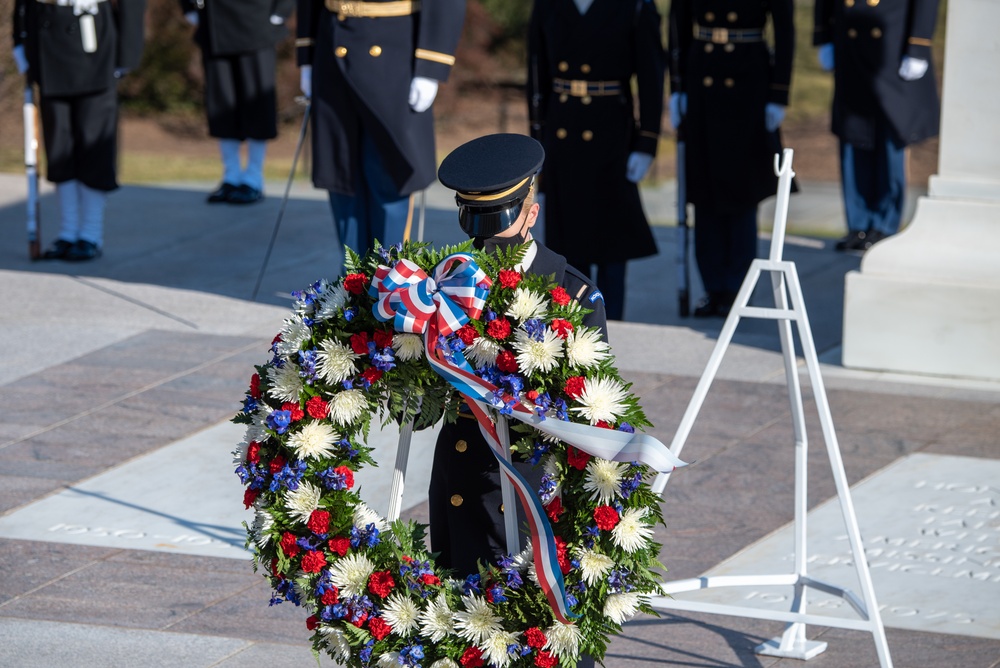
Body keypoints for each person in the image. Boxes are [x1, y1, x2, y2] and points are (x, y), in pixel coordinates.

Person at [434, 133, 603, 667]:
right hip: (462, 469)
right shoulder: (447, 283)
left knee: (527, 629)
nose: (489, 238)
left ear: (532, 211)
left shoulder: (572, 294)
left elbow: (590, 408)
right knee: (458, 617)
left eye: (501, 219)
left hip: (526, 477)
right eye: (476, 223)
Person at [527, 0, 663, 321]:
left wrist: (647, 142)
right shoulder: (548, 5)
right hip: (562, 133)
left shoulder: (636, 6)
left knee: (611, 243)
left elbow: (651, 75)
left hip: (612, 132)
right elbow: (537, 72)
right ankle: (570, 325)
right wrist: (537, 142)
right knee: (567, 242)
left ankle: (612, 323)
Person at [295, 0, 465, 255]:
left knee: (389, 173)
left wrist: (431, 63)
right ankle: (352, 282)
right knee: (341, 173)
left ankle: (388, 280)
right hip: (331, 42)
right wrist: (307, 53)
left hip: (395, 51)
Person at [668, 0, 795, 317]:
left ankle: (738, 287)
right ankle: (713, 287)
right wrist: (678, 86)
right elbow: (677, 25)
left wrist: (779, 92)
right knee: (705, 190)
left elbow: (785, 30)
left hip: (749, 81)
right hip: (703, 78)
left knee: (742, 191)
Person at [12, 0, 146, 261]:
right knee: (60, 147)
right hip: (47, 41)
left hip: (94, 43)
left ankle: (90, 234)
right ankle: (68, 232)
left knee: (93, 145)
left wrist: (127, 53)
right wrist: (20, 40)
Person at [814, 0, 941, 252]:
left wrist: (918, 44)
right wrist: (823, 34)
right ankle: (858, 224)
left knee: (889, 140)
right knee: (853, 137)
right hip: (850, 44)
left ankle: (884, 225)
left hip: (891, 45)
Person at [181, 0, 295, 205]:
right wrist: (190, 6)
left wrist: (280, 12)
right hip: (214, 23)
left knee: (257, 101)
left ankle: (253, 177)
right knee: (222, 103)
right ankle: (231, 176)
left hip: (256, 23)